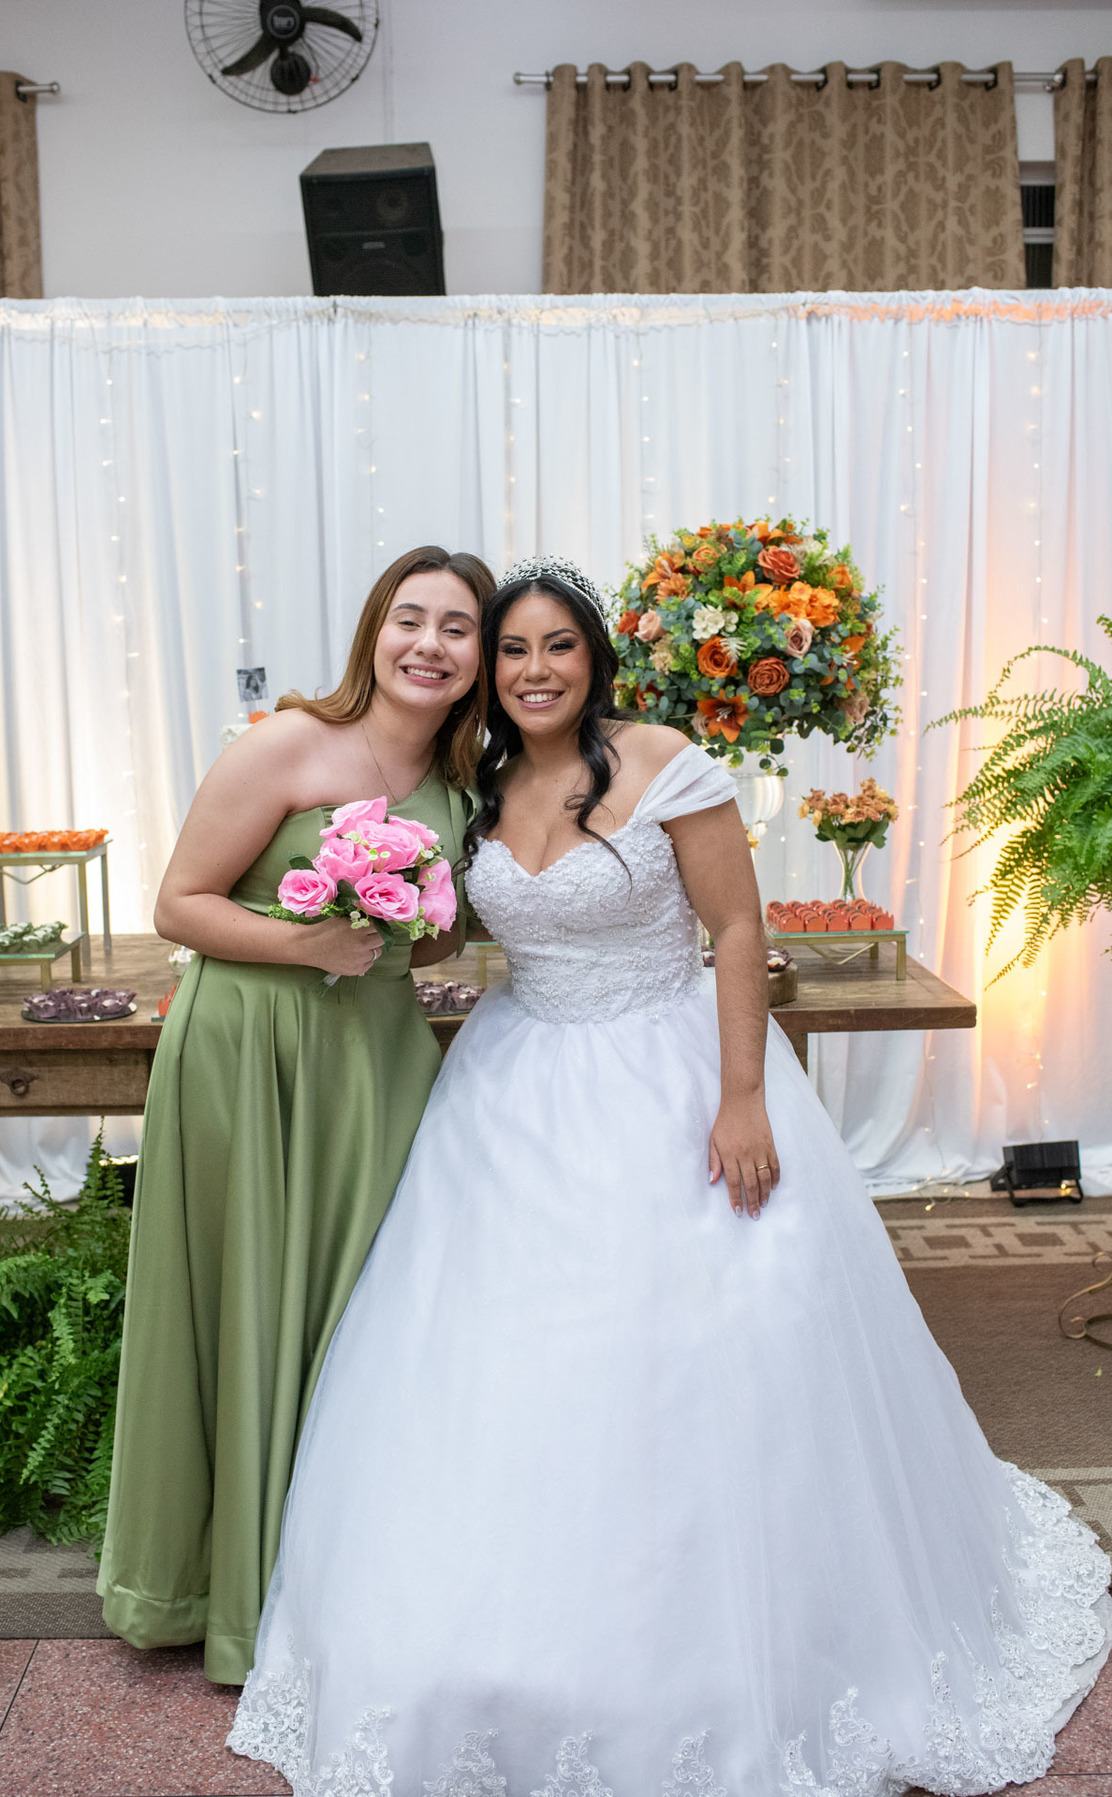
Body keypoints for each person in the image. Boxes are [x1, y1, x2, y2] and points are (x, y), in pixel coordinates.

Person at [229, 556, 1111, 1794]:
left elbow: (737, 929)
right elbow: (450, 926)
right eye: (513, 651)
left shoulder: (662, 762)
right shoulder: (473, 782)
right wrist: (373, 909)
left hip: (668, 1070)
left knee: (704, 1344)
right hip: (513, 1084)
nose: (533, 671)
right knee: (489, 1357)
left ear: (595, 662)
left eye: (558, 649)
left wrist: (742, 1093)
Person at [98, 545, 495, 1684]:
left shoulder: (466, 784)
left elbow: (441, 934)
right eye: (410, 618)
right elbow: (179, 901)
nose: (430, 644)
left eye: (457, 628)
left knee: (367, 1306)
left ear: (478, 658)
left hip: (373, 1057)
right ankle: (214, 1591)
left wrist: (419, 918)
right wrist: (308, 937)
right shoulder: (284, 743)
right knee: (248, 1296)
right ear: (376, 629)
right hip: (249, 1048)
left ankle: (339, 1576)